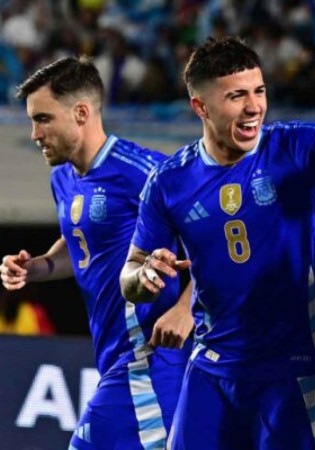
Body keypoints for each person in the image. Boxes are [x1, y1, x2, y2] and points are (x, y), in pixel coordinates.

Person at [119, 37, 315, 450]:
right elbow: (130, 275)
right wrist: (144, 277)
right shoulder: (170, 181)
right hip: (212, 367)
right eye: (236, 96)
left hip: (293, 369)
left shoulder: (296, 147)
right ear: (200, 107)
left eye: (259, 91)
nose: (253, 107)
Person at [0, 56, 194, 449]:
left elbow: (213, 242)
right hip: (113, 358)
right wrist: (36, 268)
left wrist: (186, 308)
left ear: (81, 113)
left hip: (151, 359)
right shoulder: (62, 178)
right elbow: (80, 245)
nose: (34, 133)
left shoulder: (146, 172)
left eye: (43, 119)